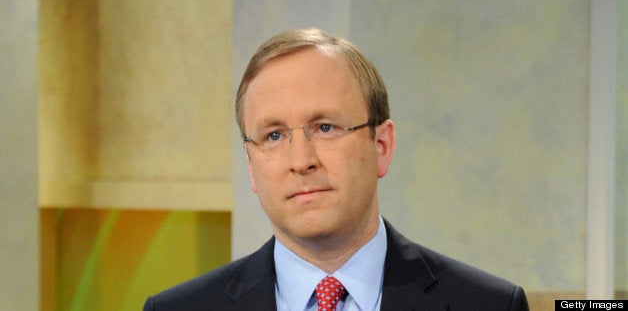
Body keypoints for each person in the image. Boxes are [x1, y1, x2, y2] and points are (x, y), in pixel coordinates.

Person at [143, 27, 529, 311]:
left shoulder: (490, 305)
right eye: (274, 136)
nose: (301, 161)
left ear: (381, 147)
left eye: (325, 128)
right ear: (250, 165)